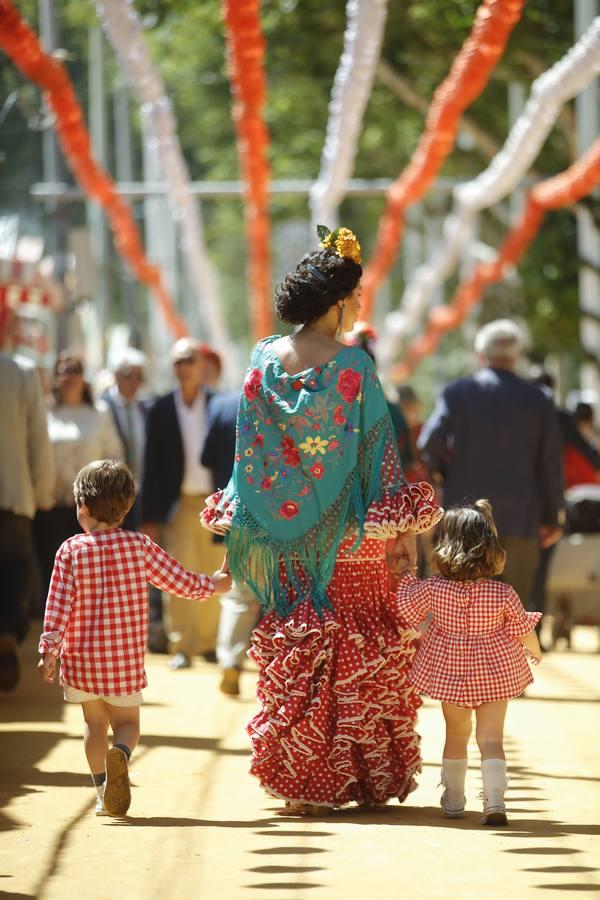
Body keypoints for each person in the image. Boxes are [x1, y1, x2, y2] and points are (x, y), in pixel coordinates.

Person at [201, 225, 442, 814]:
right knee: (358, 650)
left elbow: (247, 449)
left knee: (297, 651)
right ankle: (357, 780)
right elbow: (378, 454)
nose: (360, 304)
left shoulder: (262, 358)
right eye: (356, 295)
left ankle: (301, 781)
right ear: (337, 301)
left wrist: (251, 515)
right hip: (352, 535)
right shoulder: (355, 365)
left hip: (284, 536)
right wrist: (402, 534)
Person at [37, 459, 231, 818]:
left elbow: (57, 606)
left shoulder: (70, 551)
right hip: (123, 661)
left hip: (81, 661)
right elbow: (180, 582)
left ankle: (100, 792)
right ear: (125, 507)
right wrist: (215, 584)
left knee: (93, 724)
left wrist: (49, 650)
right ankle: (121, 755)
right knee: (127, 724)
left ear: (83, 505)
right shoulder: (139, 546)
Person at [394, 500, 542, 827]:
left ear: (445, 545)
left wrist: (406, 573)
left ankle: (454, 798)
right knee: (491, 738)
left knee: (456, 735)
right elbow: (522, 630)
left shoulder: (434, 588)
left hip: (450, 673)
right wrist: (537, 653)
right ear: (490, 546)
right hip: (496, 674)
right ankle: (495, 800)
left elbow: (406, 609)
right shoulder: (502, 592)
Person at [418, 319, 565, 611]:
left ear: (481, 354)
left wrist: (444, 475)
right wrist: (553, 516)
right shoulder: (539, 399)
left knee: (456, 610)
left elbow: (428, 444)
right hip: (521, 518)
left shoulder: (457, 393)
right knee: (515, 611)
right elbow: (551, 463)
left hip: (463, 517)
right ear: (516, 356)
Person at [142, 338, 224, 669]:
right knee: (177, 573)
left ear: (202, 365)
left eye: (189, 360)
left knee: (214, 569)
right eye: (178, 361)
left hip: (213, 502)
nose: (184, 367)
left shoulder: (218, 404)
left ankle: (209, 643)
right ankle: (182, 646)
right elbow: (151, 465)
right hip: (177, 504)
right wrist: (150, 516)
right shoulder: (160, 408)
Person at [33, 352, 123, 603]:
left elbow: (114, 456)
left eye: (75, 370)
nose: (69, 376)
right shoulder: (44, 412)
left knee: (91, 571)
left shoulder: (99, 413)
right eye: (63, 370)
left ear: (84, 378)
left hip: (93, 508)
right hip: (51, 504)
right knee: (53, 570)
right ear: (55, 377)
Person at [0, 306, 55, 690]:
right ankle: (5, 632)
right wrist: (40, 490)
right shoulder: (20, 372)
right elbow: (39, 437)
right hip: (12, 495)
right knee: (12, 572)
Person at [200, 389, 260, 697]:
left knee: (239, 595)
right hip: (286, 514)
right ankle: (279, 670)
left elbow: (205, 456)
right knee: (282, 594)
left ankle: (230, 661)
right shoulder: (295, 403)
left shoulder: (223, 404)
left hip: (240, 510)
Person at [102, 348, 152, 530]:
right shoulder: (101, 407)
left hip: (139, 497)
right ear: (115, 374)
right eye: (129, 375)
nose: (135, 382)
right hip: (109, 498)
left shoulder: (146, 408)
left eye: (140, 377)